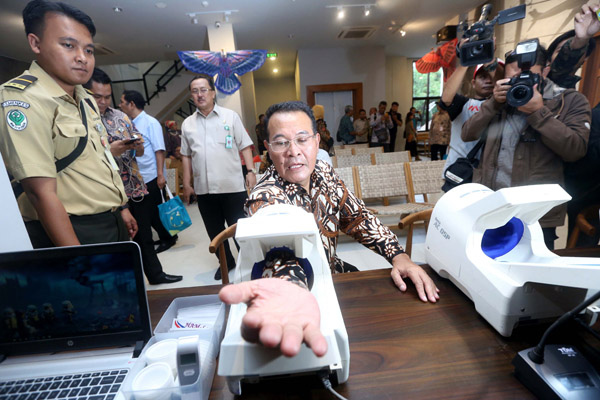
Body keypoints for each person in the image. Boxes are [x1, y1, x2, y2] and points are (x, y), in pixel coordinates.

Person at [220, 101, 439, 356]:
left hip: (335, 271)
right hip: (303, 289)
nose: (294, 151)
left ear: (316, 141)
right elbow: (280, 254)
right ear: (268, 149)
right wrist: (292, 293)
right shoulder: (265, 198)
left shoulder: (323, 171)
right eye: (281, 142)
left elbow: (358, 217)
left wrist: (399, 257)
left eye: (302, 139)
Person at [0, 0, 134, 248]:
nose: (82, 58)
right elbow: (40, 193)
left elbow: (98, 160)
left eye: (89, 50)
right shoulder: (23, 98)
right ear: (35, 43)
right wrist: (77, 260)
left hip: (109, 221)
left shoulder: (85, 98)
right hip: (71, 230)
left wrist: (121, 207)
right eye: (68, 45)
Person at [461, 41, 591, 250]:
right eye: (512, 79)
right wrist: (493, 104)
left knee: (532, 278)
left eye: (527, 77)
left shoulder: (568, 101)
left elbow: (575, 150)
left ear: (545, 70)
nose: (518, 84)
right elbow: (468, 134)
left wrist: (539, 113)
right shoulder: (500, 102)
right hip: (492, 206)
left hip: (535, 215)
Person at [84, 68, 182, 284]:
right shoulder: (80, 120)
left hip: (134, 188)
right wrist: (112, 151)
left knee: (143, 235)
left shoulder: (120, 117)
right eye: (97, 96)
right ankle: (124, 283)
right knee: (116, 241)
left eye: (107, 96)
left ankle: (155, 275)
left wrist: (136, 146)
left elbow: (140, 152)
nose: (103, 101)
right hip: (104, 192)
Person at [180, 74, 256, 280]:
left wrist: (250, 171)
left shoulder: (230, 116)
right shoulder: (187, 124)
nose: (199, 94)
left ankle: (248, 263)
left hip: (232, 187)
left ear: (213, 93)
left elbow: (245, 145)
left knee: (240, 229)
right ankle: (226, 262)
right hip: (205, 190)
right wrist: (186, 184)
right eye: (195, 91)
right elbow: (186, 156)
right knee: (214, 231)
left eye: (203, 90)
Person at [119, 90, 177, 254]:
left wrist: (160, 175)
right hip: (137, 176)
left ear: (132, 104)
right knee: (148, 212)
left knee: (156, 210)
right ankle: (167, 235)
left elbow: (159, 150)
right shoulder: (128, 123)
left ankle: (169, 238)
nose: (119, 105)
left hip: (151, 174)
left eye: (122, 102)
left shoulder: (150, 122)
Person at [439, 48, 502, 182]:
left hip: (490, 176)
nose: (489, 81)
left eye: (491, 76)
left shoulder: (508, 107)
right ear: (473, 83)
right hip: (458, 174)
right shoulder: (464, 104)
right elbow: (446, 98)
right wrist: (464, 61)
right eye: (482, 77)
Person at [547, 1, 599, 89]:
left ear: (585, 57)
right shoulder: (542, 84)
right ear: (548, 61)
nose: (563, 56)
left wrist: (582, 39)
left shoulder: (576, 99)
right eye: (561, 51)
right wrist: (580, 40)